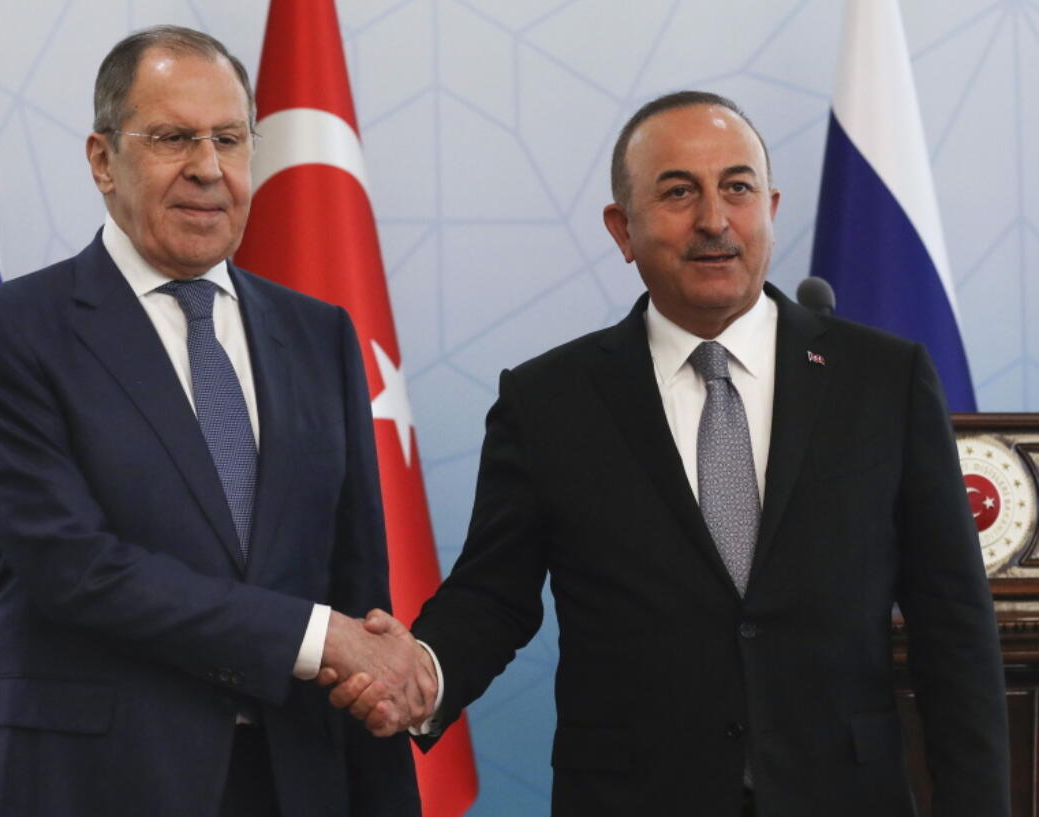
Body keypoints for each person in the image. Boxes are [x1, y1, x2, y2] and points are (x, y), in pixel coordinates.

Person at [331, 91, 1009, 816]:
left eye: (738, 188)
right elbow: (493, 595)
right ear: (622, 229)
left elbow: (952, 627)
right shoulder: (550, 399)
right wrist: (423, 671)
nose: (715, 219)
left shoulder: (884, 380)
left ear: (771, 208)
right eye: (679, 192)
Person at [0, 25, 429, 817]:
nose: (209, 168)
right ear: (103, 160)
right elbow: (74, 567)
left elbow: (355, 574)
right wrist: (315, 636)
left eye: (230, 139)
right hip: (92, 782)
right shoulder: (11, 329)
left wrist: (374, 697)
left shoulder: (319, 334)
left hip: (292, 776)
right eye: (173, 138)